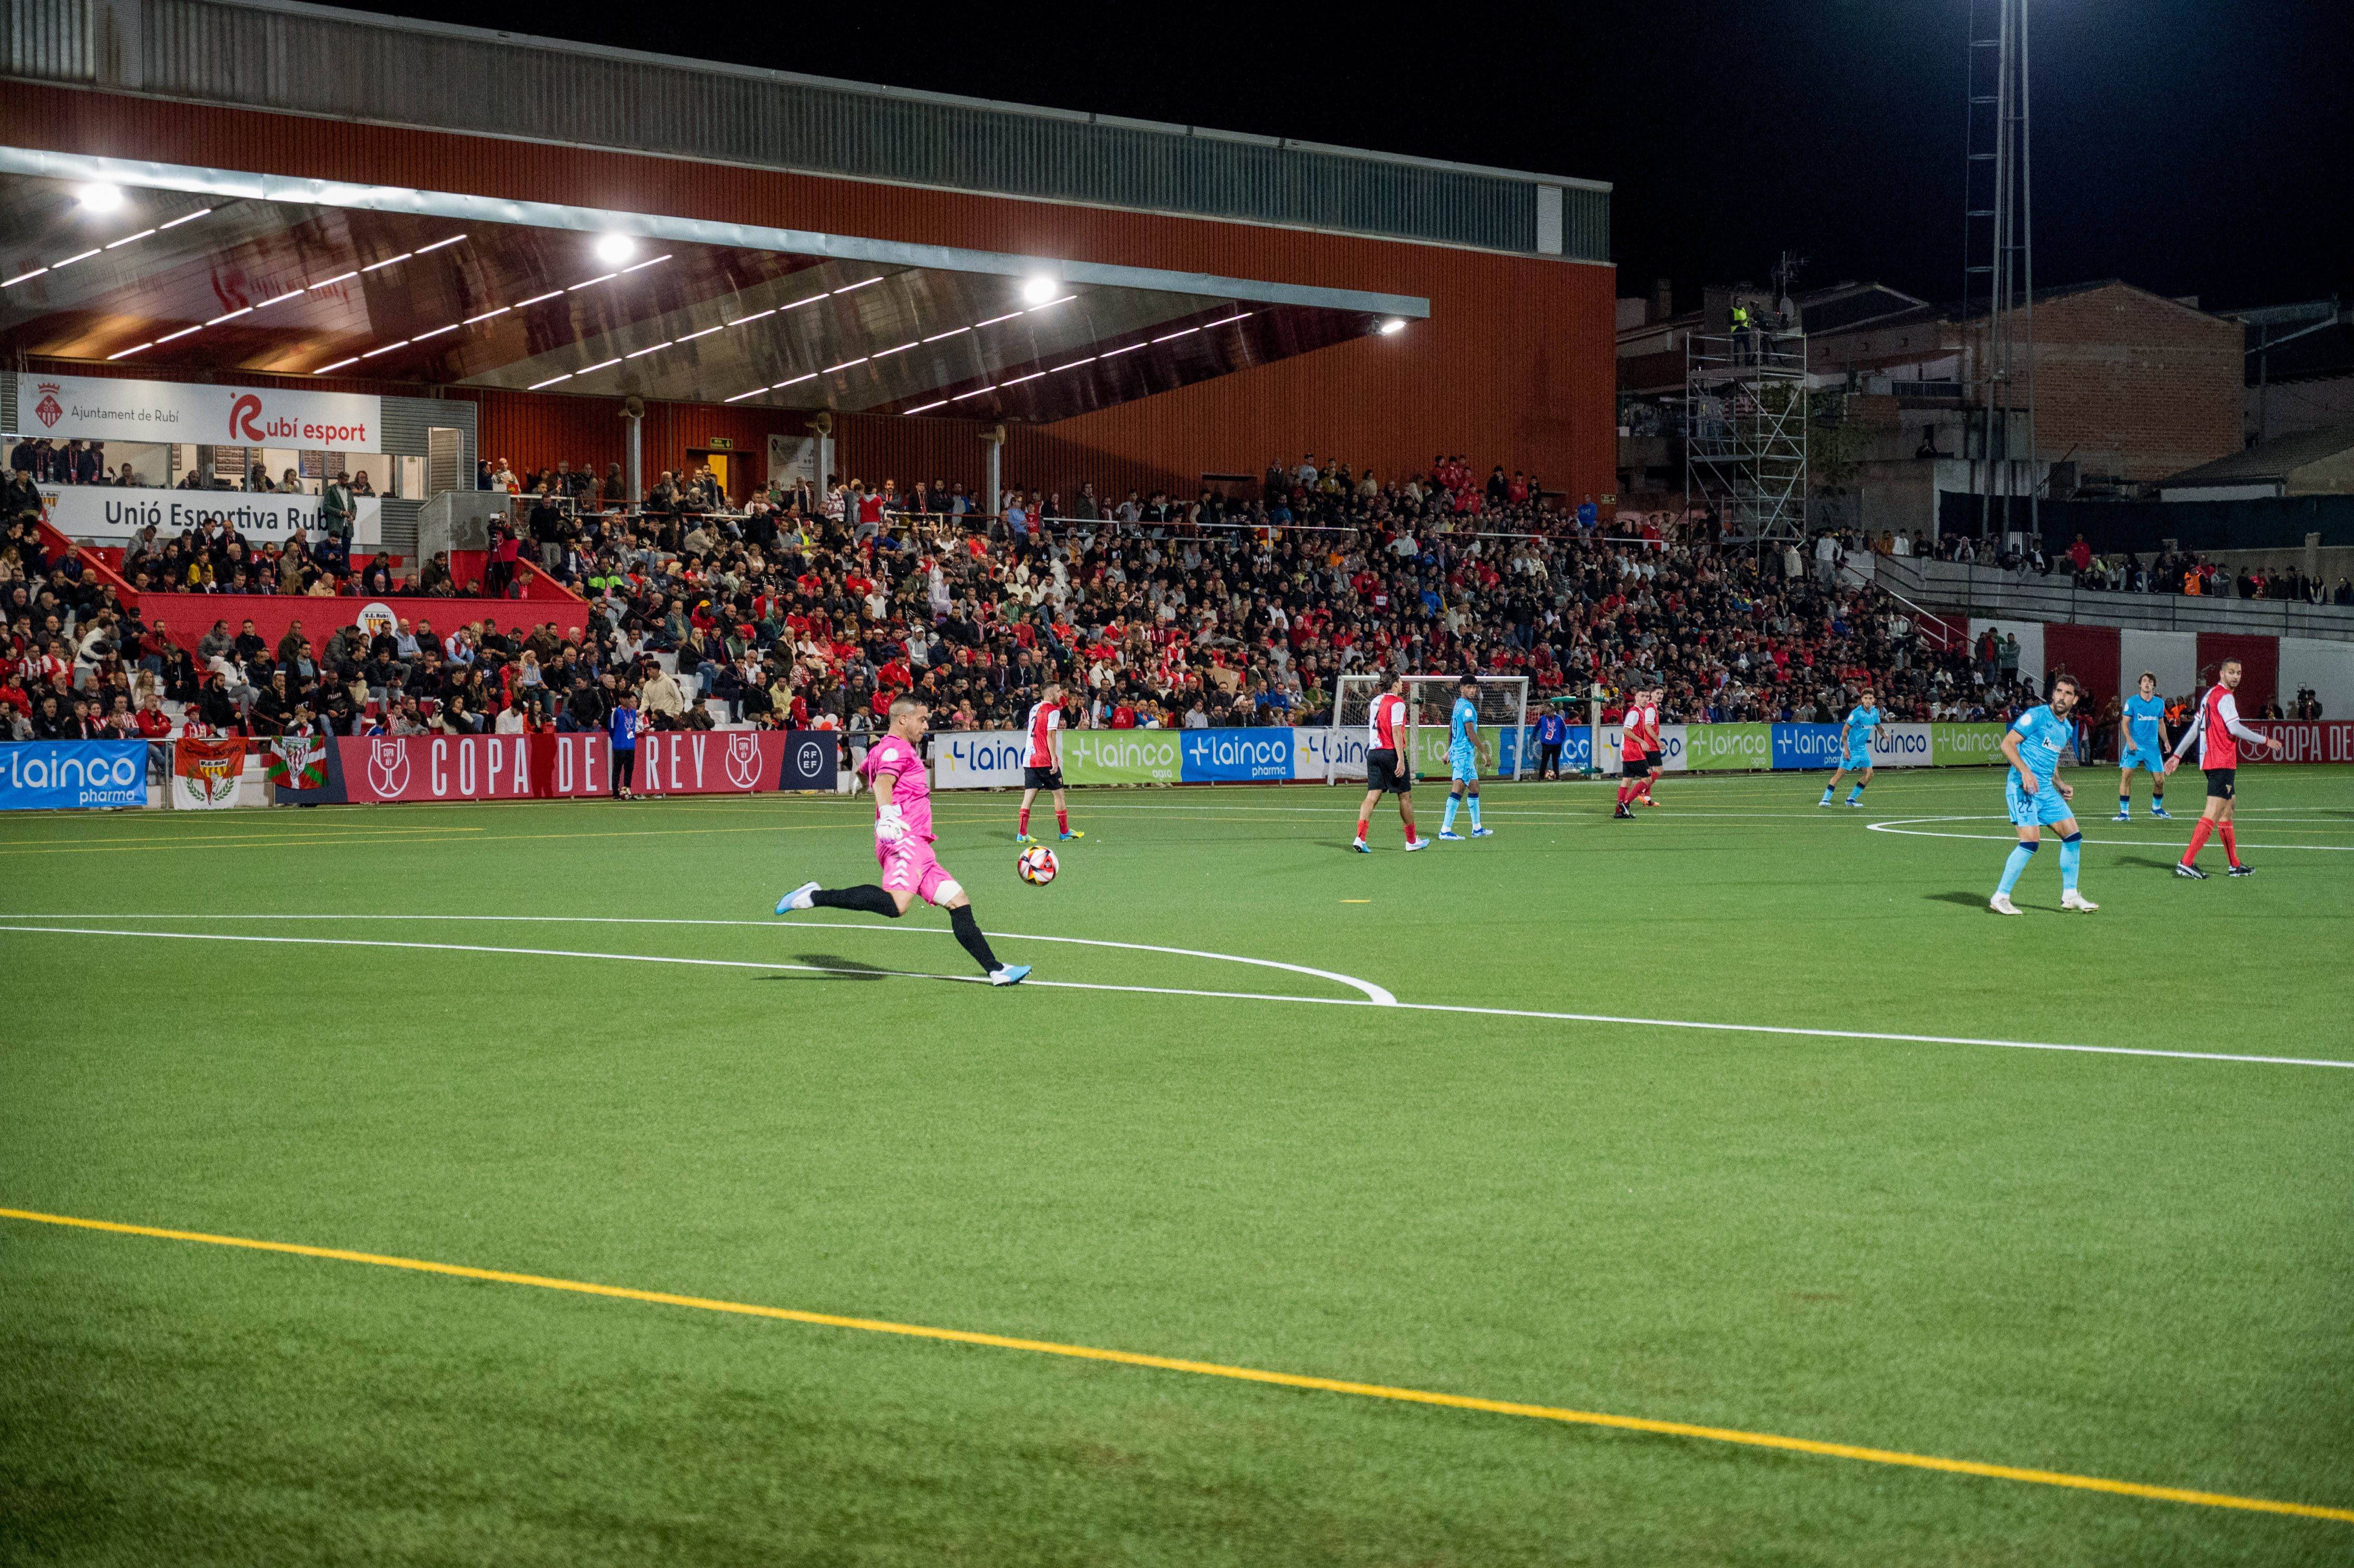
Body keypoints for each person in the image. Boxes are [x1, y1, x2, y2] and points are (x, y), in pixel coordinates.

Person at [774, 696, 1031, 987]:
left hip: (921, 848)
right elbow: (883, 780)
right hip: (903, 840)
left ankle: (996, 970)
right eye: (922, 720)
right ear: (903, 720)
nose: (926, 725)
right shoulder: (897, 749)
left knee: (958, 902)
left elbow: (865, 775)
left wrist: (858, 784)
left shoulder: (884, 748)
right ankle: (812, 896)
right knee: (897, 905)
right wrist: (885, 814)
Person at [2167, 658, 2285, 879]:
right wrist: (2265, 741)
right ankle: (2187, 861)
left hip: (2213, 761)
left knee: (2228, 808)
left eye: (2239, 673)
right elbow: (2235, 728)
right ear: (2222, 674)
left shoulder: (2209, 696)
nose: (2236, 677)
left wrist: (2177, 755)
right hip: (2220, 761)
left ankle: (2235, 865)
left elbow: (2195, 728)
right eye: (2231, 672)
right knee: (2213, 812)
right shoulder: (2225, 698)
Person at [1990, 674, 2096, 915]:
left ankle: (2070, 895)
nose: (2062, 697)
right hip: (2022, 786)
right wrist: (2025, 772)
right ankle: (2000, 896)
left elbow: (2052, 757)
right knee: (2030, 842)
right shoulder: (2037, 716)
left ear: (2075, 699)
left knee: (2073, 837)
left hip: (2046, 790)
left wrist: (2059, 782)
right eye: (2059, 691)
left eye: (2068, 693)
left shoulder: (2067, 727)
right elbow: (2008, 744)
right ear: (2053, 693)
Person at [1352, 672, 1427, 854]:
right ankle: (1411, 841)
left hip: (1374, 753)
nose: (1402, 685)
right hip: (1390, 753)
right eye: (1400, 682)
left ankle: (1360, 838)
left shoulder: (1375, 701)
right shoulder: (1398, 703)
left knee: (1372, 797)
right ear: (1394, 684)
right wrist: (1400, 759)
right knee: (1405, 797)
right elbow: (1395, 731)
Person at [1015, 681, 1082, 844]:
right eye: (1059, 691)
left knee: (1029, 796)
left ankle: (1022, 834)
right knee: (1059, 794)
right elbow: (1050, 735)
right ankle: (1064, 832)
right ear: (1051, 694)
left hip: (1029, 758)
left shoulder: (1034, 708)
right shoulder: (1053, 711)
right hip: (1044, 759)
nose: (1062, 695)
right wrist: (1053, 758)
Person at [1438, 675, 1493, 840]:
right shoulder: (1467, 708)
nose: (1472, 690)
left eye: (1474, 687)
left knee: (1474, 787)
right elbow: (1470, 732)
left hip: (1461, 753)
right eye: (1469, 687)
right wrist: (1484, 753)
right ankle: (1445, 830)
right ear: (1461, 688)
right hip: (1463, 754)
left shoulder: (1458, 705)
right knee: (1459, 788)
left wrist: (1449, 751)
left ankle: (1477, 828)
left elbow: (1451, 729)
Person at [2114, 672, 2174, 821]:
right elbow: (2125, 723)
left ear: (2154, 685)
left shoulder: (2159, 703)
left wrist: (2166, 741)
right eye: (2145, 681)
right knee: (2126, 777)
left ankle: (2156, 808)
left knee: (2160, 781)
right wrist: (2130, 741)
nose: (2147, 683)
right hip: (2134, 746)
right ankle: (2124, 813)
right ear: (2140, 684)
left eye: (2150, 681)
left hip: (2152, 748)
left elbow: (2160, 723)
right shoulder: (2132, 702)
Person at [1820, 686, 1881, 808]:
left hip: (1863, 750)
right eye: (1866, 698)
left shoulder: (1874, 712)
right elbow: (1844, 732)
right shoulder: (1857, 713)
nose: (1868, 701)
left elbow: (1879, 726)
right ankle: (1825, 799)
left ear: (1874, 700)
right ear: (1862, 700)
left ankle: (1851, 799)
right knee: (1840, 774)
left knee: (1869, 774)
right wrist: (1847, 750)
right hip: (1852, 749)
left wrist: (1884, 734)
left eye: (1871, 698)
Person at [1613, 683, 1655, 820]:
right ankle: (1625, 803)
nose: (1645, 699)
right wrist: (1642, 742)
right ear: (1636, 697)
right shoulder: (1634, 713)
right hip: (1634, 752)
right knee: (1648, 778)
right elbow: (1626, 731)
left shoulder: (1640, 712)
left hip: (1629, 752)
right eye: (1642, 696)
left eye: (1647, 697)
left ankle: (1619, 811)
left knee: (1627, 781)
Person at [608, 688, 639, 800]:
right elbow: (611, 728)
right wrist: (617, 739)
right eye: (625, 699)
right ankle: (615, 793)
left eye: (628, 699)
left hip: (630, 745)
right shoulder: (616, 712)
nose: (627, 701)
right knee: (617, 769)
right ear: (621, 699)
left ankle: (627, 790)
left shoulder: (633, 713)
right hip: (619, 745)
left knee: (629, 769)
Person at [1535, 704, 1570, 780]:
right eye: (1546, 712)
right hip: (1546, 743)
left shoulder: (1559, 719)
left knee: (1555, 760)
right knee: (1544, 760)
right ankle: (1541, 777)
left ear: (1553, 712)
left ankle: (1557, 776)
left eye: (1548, 712)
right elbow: (1537, 727)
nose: (1547, 714)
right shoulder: (1542, 719)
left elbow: (1564, 729)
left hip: (1557, 743)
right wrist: (1534, 735)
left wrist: (1562, 740)